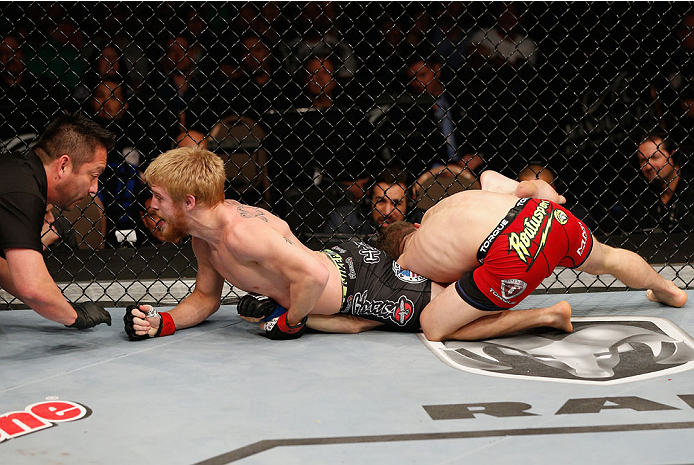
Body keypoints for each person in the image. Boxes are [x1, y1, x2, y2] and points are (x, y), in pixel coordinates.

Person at [123, 153, 575, 341]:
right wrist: (162, 321)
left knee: (439, 322)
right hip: (348, 275)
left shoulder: (241, 233)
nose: (152, 207)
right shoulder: (206, 234)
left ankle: (547, 314)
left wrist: (291, 321)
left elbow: (314, 277)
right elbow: (204, 299)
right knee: (365, 319)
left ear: (188, 201)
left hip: (361, 280)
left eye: (159, 198)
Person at [376, 171, 688, 342]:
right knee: (608, 258)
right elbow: (490, 178)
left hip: (511, 250)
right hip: (543, 213)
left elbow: (437, 295)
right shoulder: (446, 205)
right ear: (416, 223)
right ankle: (668, 290)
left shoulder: (407, 258)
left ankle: (548, 315)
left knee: (432, 324)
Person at [0, 114, 115, 328]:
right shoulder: (22, 191)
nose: (94, 188)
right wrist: (74, 317)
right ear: (63, 165)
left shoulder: (16, 173)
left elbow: (2, 269)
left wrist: (63, 307)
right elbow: (32, 288)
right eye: (94, 175)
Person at [323, 168, 425, 235]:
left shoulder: (424, 223)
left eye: (396, 203)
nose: (387, 212)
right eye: (381, 201)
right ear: (369, 201)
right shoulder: (342, 220)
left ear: (409, 205)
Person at [632, 127, 694, 232]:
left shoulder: (690, 192)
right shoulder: (641, 200)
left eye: (655, 157)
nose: (648, 166)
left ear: (673, 156)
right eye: (643, 160)